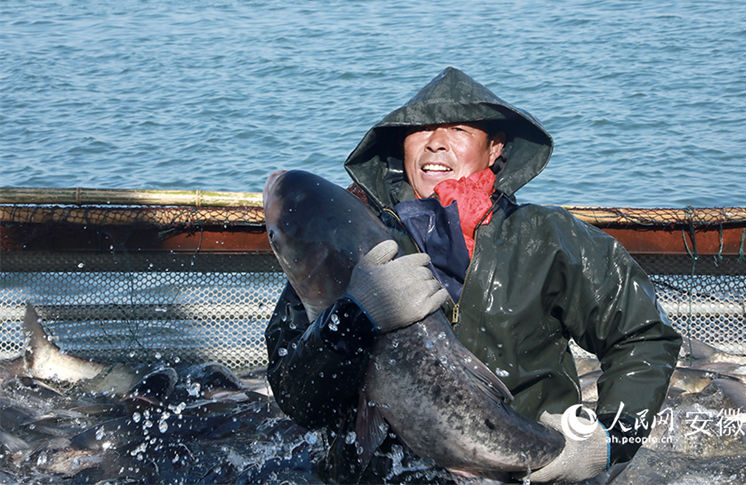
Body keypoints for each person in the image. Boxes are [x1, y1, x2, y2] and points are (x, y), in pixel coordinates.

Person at [265, 67, 682, 483]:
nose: (436, 143)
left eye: (459, 129)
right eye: (420, 130)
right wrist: (351, 318)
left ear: (495, 147)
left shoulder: (551, 238)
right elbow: (298, 400)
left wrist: (609, 442)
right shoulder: (349, 250)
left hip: (533, 470)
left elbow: (644, 337)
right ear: (401, 145)